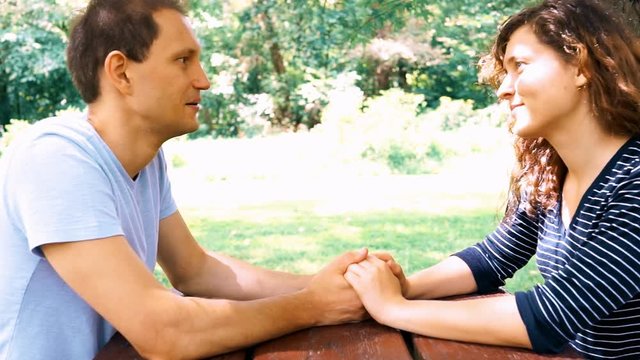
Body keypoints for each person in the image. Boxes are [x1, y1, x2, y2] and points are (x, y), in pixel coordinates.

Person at [0, 0, 370, 359]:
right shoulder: (54, 158)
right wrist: (312, 306)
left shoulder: (146, 160)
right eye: (182, 60)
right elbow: (163, 333)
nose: (203, 80)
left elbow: (197, 271)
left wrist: (329, 285)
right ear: (121, 72)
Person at [344, 0, 640, 358]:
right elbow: (492, 258)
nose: (503, 88)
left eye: (520, 66)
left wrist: (395, 309)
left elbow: (553, 317)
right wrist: (406, 287)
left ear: (580, 65)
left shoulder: (633, 182)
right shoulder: (549, 173)